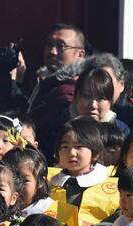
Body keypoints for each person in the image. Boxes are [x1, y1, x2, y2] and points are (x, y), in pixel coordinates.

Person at [28, 23, 87, 160]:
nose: (52, 51)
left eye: (61, 46)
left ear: (80, 54)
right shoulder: (42, 81)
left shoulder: (74, 89)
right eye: (49, 44)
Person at [85, 53, 133, 130]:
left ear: (121, 84)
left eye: (106, 81)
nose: (99, 86)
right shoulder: (70, 114)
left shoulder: (132, 116)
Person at [73, 67, 130, 135]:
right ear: (76, 97)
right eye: (87, 96)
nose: (93, 105)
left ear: (110, 102)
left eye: (100, 98)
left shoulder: (121, 131)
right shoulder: (61, 124)